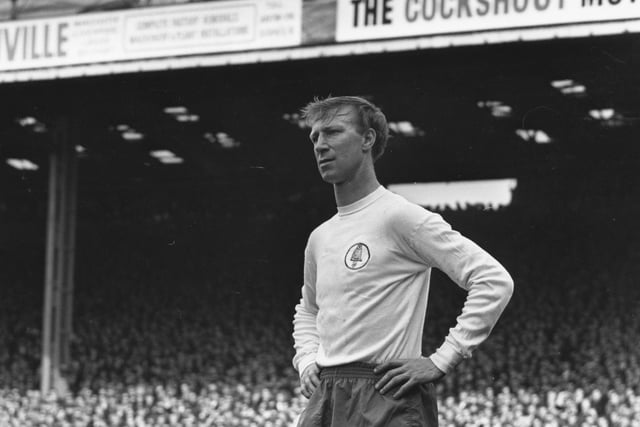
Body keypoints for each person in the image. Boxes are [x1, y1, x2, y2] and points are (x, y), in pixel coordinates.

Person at [292, 95, 514, 426]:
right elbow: (308, 309)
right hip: (327, 394)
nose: (320, 145)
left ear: (368, 139)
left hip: (385, 392)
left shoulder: (400, 217)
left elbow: (493, 280)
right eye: (315, 137)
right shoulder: (320, 237)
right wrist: (307, 358)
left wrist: (442, 360)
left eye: (333, 132)